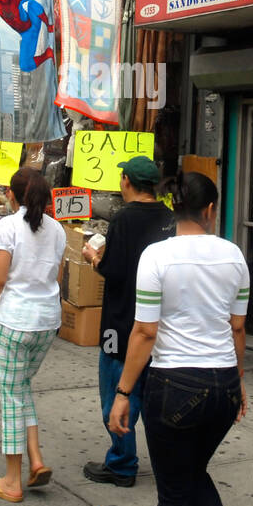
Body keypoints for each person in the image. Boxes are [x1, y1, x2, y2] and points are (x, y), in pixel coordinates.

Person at [109, 172, 249, 506]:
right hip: (224, 385)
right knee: (191, 475)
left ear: (174, 207)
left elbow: (144, 332)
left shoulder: (156, 256)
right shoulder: (234, 256)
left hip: (174, 385)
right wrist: (240, 381)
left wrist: (123, 392)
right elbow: (238, 328)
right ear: (211, 210)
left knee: (174, 492)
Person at [0, 168, 65, 503]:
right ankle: (36, 460)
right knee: (21, 387)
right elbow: (57, 278)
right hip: (47, 321)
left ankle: (11, 481)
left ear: (14, 195)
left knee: (10, 398)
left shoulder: (7, 227)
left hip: (16, 320)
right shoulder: (58, 230)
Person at [80, 155, 174, 488]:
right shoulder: (170, 218)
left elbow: (115, 271)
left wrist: (93, 258)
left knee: (118, 393)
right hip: (160, 326)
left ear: (127, 182)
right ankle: (166, 464)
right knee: (152, 399)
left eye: (121, 177)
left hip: (120, 325)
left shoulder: (123, 219)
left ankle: (121, 463)